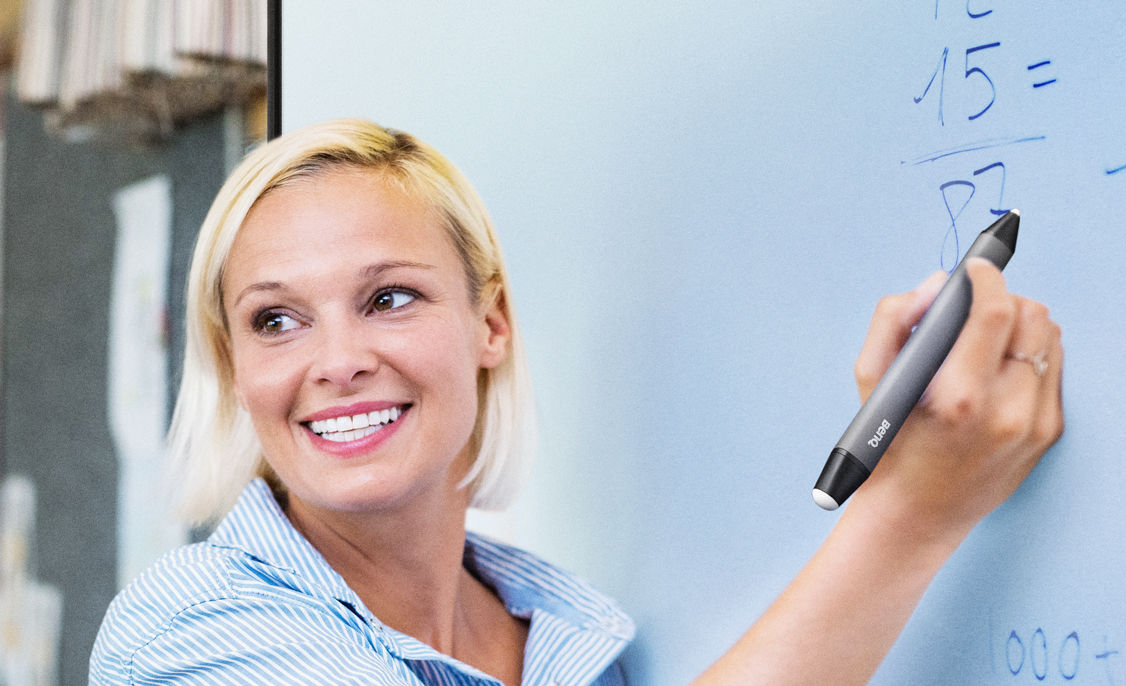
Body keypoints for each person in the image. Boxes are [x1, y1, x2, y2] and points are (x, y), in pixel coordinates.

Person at [89, 118, 1063, 685]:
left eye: (389, 297)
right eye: (275, 320)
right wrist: (908, 512)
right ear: (232, 365)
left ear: (490, 324)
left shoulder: (573, 633)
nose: (336, 360)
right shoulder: (192, 629)